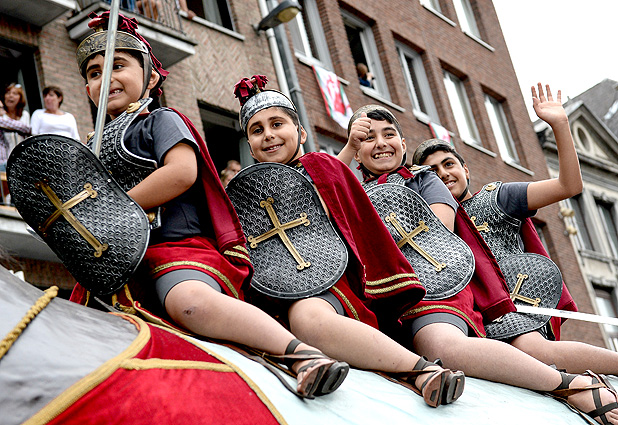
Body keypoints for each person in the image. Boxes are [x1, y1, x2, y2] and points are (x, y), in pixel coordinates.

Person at [68, 12, 349, 399]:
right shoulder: (91, 146)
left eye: (117, 66)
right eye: (95, 73)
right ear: (87, 88)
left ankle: (300, 354)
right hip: (119, 263)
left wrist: (115, 208)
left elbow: (181, 172)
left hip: (176, 249)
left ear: (150, 79)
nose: (106, 78)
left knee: (189, 303)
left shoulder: (161, 120)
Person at [339, 101, 618, 425]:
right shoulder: (356, 190)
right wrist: (348, 151)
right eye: (368, 137)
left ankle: (576, 385)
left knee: (530, 349)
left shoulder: (485, 196)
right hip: (417, 300)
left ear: (466, 169)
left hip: (478, 298)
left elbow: (435, 235)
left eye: (448, 164)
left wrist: (559, 125)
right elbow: (324, 189)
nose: (443, 174)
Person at [231, 74, 466, 408]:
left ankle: (421, 371)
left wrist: (349, 149)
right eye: (257, 130)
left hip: (330, 282)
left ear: (301, 133)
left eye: (277, 124)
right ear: (249, 144)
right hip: (276, 290)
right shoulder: (248, 193)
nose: (268, 134)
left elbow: (331, 194)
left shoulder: (319, 165)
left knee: (308, 318)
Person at [0, 83, 31, 172]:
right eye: (8, 93)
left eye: (15, 93)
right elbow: (25, 128)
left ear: (20, 98)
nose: (10, 96)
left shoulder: (25, 115)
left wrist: (7, 124)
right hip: (4, 161)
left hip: (23, 161)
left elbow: (28, 129)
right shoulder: (2, 115)